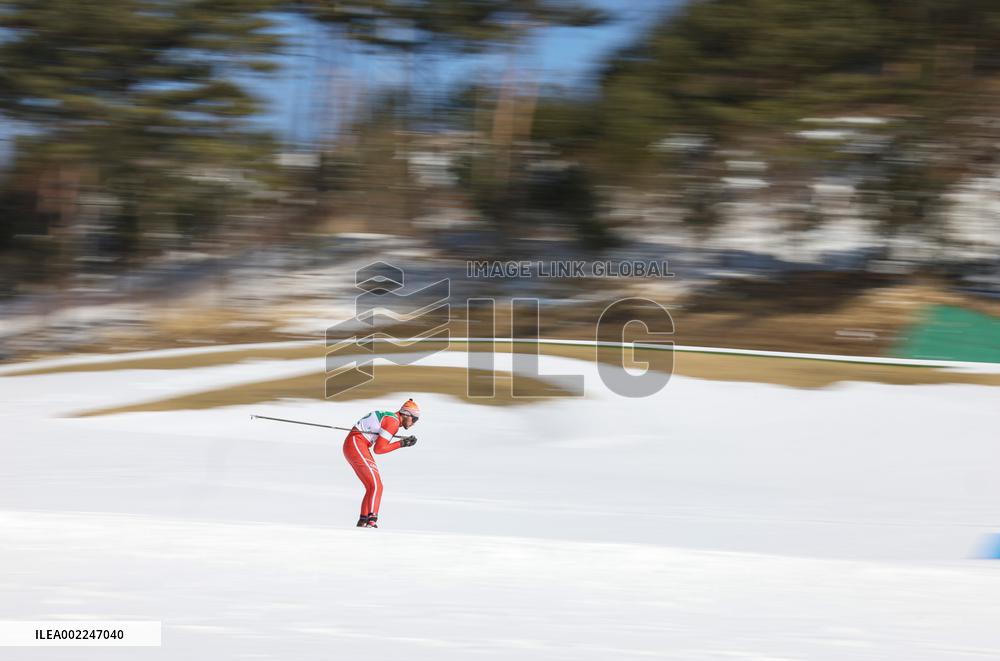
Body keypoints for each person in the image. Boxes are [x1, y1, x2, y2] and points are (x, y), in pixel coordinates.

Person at [343, 398, 420, 528]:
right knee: (377, 486)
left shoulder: (391, 418)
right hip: (357, 443)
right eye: (415, 419)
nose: (414, 423)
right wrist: (402, 443)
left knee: (372, 486)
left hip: (356, 444)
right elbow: (379, 449)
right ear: (406, 415)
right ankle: (372, 520)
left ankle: (363, 520)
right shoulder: (393, 422)